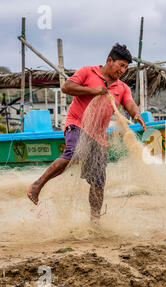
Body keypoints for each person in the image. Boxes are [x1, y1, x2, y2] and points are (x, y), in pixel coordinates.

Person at [27, 43, 146, 224]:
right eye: (121, 65)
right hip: (77, 124)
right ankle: (37, 185)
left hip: (99, 136)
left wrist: (136, 113)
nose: (123, 70)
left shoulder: (122, 88)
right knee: (75, 152)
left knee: (98, 183)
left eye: (125, 68)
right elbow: (67, 87)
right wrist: (94, 91)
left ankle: (95, 222)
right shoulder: (87, 72)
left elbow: (129, 103)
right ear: (109, 60)